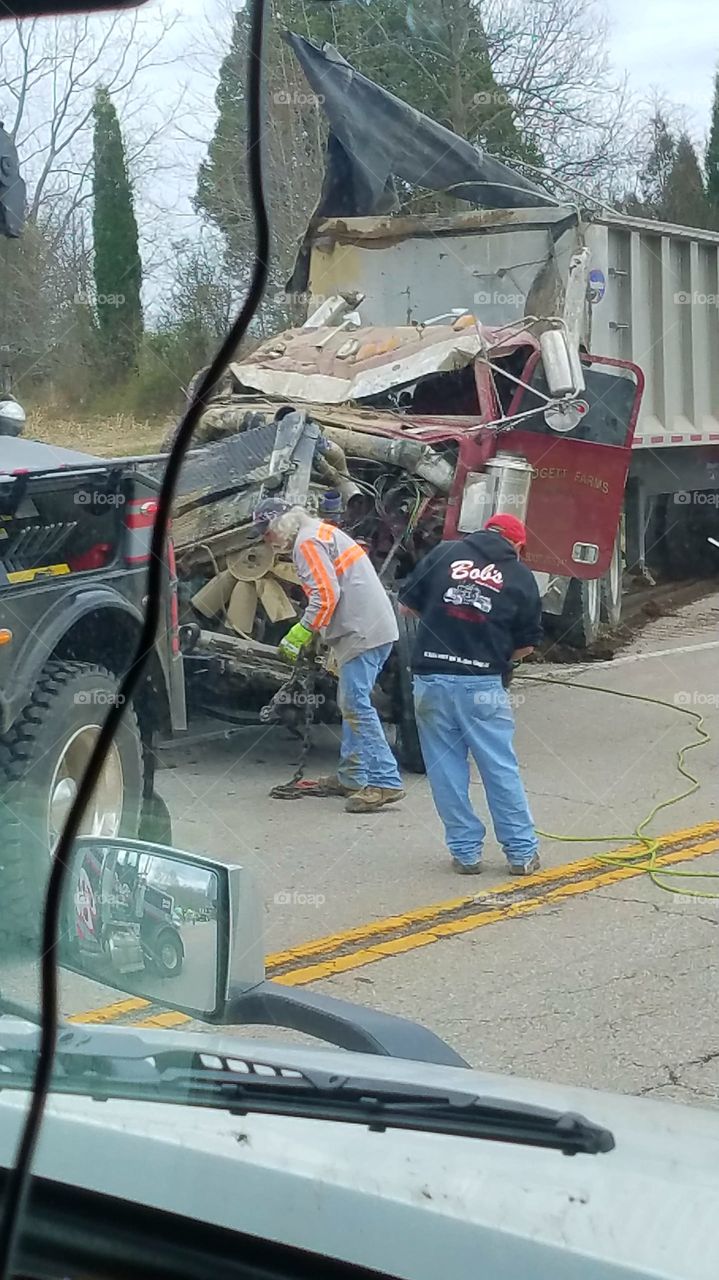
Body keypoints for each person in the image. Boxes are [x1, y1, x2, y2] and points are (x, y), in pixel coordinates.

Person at [398, 512, 542, 876]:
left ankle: (465, 854)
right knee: (498, 767)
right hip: (480, 684)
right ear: (518, 546)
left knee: (445, 771)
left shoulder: (444, 552)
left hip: (430, 679)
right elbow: (526, 646)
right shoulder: (520, 576)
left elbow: (406, 606)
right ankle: (522, 854)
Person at [253, 498, 406, 814]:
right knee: (351, 700)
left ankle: (385, 780)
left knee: (355, 704)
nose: (267, 540)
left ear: (280, 525)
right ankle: (352, 776)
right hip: (370, 627)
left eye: (266, 532)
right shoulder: (319, 532)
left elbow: (325, 595)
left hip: (361, 631)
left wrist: (301, 632)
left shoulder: (306, 543)